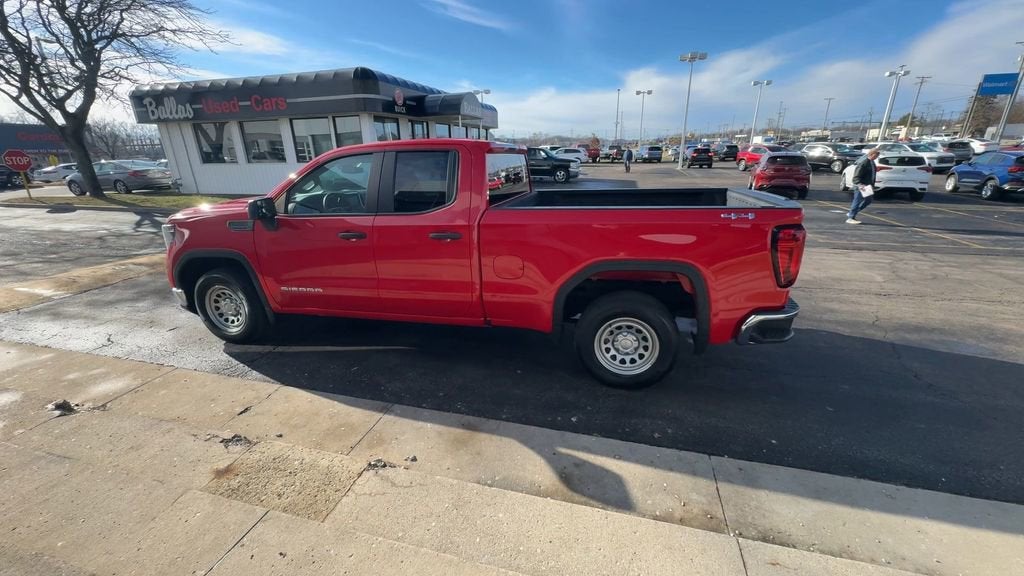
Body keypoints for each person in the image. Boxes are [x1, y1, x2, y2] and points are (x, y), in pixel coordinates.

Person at [847, 148, 879, 224]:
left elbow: (872, 175)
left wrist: (872, 185)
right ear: (871, 154)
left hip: (867, 186)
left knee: (868, 200)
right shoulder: (864, 163)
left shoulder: (872, 163)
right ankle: (851, 218)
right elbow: (856, 176)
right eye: (876, 155)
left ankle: (853, 212)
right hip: (861, 185)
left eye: (877, 155)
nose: (876, 157)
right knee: (857, 201)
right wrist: (859, 184)